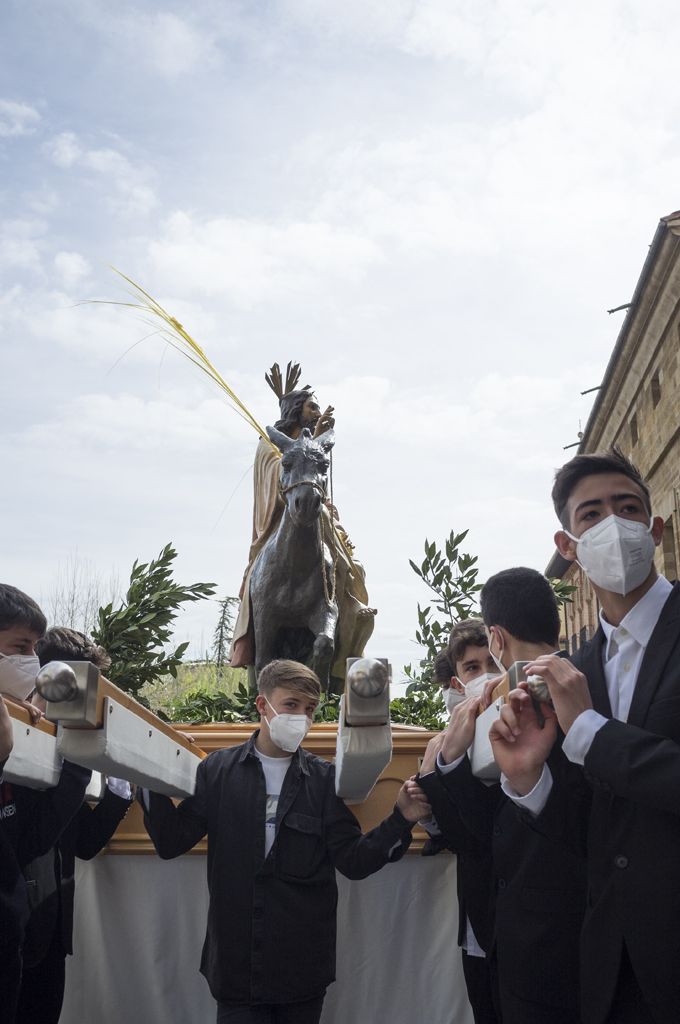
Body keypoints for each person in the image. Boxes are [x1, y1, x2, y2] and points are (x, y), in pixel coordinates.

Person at [493, 448, 680, 1024]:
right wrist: (530, 783)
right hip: (611, 967)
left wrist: (592, 734)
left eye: (628, 509)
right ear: (568, 547)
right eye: (592, 515)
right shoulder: (579, 668)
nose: (615, 525)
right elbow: (592, 825)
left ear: (654, 530)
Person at [142, 658, 430, 1024]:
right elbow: (171, 842)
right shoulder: (218, 771)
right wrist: (148, 770)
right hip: (236, 968)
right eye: (291, 705)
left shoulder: (324, 781)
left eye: (309, 709)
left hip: (302, 971)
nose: (301, 717)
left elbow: (353, 862)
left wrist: (401, 819)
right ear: (263, 705)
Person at [431, 570, 587, 1024]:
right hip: (507, 939)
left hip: (551, 941)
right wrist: (446, 765)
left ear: (497, 639)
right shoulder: (588, 678)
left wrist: (456, 765)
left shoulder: (520, 709)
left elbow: (492, 832)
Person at [15, 627, 134, 1024]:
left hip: (51, 932)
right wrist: (79, 764)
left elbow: (81, 844)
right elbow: (34, 839)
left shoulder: (62, 745)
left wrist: (118, 788)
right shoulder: (14, 737)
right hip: (13, 929)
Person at [230, 366, 375, 684]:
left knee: (354, 565)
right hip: (282, 514)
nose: (318, 411)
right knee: (257, 574)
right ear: (297, 410)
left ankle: (346, 599)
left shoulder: (314, 443)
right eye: (312, 406)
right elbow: (274, 474)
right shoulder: (271, 446)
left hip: (313, 509)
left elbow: (317, 470)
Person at [0, 585, 91, 1023]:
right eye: (20, 648)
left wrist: (74, 757)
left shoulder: (32, 731)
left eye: (36, 650)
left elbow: (32, 837)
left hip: (25, 935)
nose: (31, 664)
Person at [417, 620, 500, 1024]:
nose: (485, 675)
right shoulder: (447, 744)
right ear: (456, 680)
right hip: (477, 917)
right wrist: (426, 799)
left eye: (492, 662)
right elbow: (450, 835)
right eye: (472, 667)